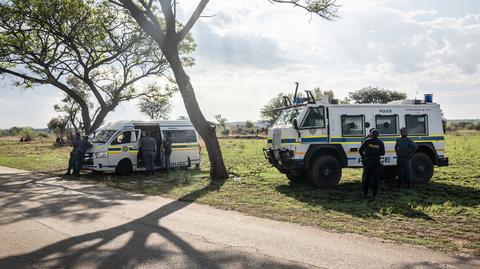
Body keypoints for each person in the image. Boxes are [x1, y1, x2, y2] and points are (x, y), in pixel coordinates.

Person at [359, 129, 385, 200]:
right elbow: (383, 153)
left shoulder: (367, 141)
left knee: (366, 178)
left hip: (368, 161)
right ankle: (374, 195)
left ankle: (365, 194)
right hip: (376, 162)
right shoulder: (380, 142)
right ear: (378, 135)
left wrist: (364, 158)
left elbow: (360, 150)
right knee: (376, 179)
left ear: (371, 134)